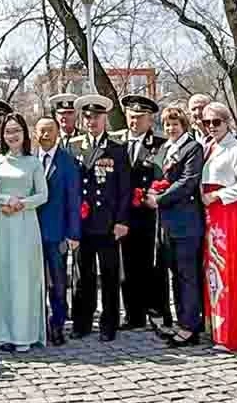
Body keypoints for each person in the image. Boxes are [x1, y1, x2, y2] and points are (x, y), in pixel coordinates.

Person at [0, 113, 47, 351]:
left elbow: (43, 195)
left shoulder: (34, 162)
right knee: (3, 277)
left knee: (25, 278)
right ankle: (4, 333)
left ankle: (25, 334)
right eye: (8, 131)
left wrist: (21, 204)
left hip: (26, 224)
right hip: (3, 224)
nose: (12, 135)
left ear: (24, 134)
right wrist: (6, 200)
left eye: (16, 130)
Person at [196, 102, 237, 352]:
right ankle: (216, 329)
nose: (211, 126)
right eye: (207, 122)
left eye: (216, 122)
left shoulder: (236, 148)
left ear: (227, 122)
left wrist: (219, 195)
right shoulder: (208, 146)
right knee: (212, 272)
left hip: (228, 214)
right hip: (210, 215)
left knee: (228, 270)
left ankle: (233, 334)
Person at [71, 93, 128, 341]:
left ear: (105, 118)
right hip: (82, 223)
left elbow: (124, 189)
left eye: (96, 117)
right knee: (82, 275)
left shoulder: (116, 149)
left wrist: (122, 221)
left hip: (107, 223)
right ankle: (82, 322)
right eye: (87, 117)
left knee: (109, 274)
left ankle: (109, 324)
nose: (91, 121)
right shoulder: (73, 147)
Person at [151, 101, 205, 346]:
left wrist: (159, 198)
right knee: (174, 274)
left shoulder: (192, 148)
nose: (171, 129)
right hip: (165, 223)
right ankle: (181, 321)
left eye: (175, 124)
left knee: (188, 275)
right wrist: (150, 192)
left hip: (186, 221)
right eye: (167, 125)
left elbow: (188, 180)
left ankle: (190, 327)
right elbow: (157, 177)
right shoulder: (164, 148)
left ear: (184, 125)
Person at [118, 94, 168, 333]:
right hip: (124, 214)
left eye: (140, 117)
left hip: (149, 214)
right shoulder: (117, 142)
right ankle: (133, 314)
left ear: (150, 120)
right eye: (131, 116)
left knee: (152, 265)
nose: (134, 121)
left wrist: (154, 193)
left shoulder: (160, 144)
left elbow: (164, 176)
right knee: (127, 266)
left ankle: (157, 310)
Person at [33, 116, 82, 346]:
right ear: (35, 134)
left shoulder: (67, 161)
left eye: (50, 130)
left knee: (58, 283)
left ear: (57, 133)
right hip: (30, 233)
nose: (45, 135)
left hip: (57, 233)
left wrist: (74, 233)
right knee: (35, 282)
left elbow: (74, 200)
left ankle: (57, 324)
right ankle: (38, 323)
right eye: (41, 131)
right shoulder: (29, 160)